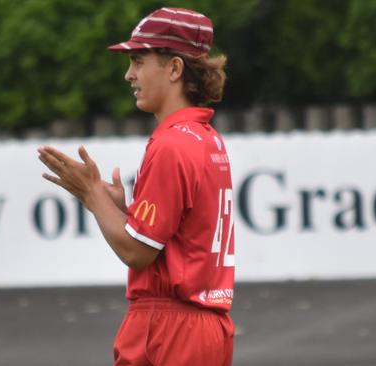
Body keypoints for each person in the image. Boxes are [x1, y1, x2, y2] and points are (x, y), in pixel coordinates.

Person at [38, 7, 235, 365]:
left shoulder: (172, 144)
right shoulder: (207, 139)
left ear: (174, 69)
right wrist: (120, 211)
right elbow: (180, 235)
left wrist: (92, 194)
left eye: (139, 60)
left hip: (171, 330)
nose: (129, 74)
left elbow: (138, 253)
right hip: (203, 326)